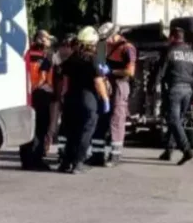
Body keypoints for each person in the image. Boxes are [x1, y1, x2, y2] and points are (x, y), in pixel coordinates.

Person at [55, 27, 110, 174]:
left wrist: (62, 99)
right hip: (88, 100)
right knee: (85, 132)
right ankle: (78, 163)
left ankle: (66, 163)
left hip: (71, 99)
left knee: (71, 133)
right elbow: (99, 82)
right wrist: (105, 99)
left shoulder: (71, 59)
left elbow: (65, 83)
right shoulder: (93, 60)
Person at [153, 27, 193, 166]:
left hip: (174, 89)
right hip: (188, 91)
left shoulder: (170, 51)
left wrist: (154, 87)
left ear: (173, 38)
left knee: (174, 121)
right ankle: (168, 151)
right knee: (176, 121)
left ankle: (187, 150)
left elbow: (160, 72)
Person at [98, 23, 136, 160]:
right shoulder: (102, 46)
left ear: (114, 35)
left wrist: (112, 72)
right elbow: (99, 63)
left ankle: (115, 155)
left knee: (117, 118)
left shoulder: (127, 48)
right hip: (105, 83)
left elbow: (130, 72)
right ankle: (98, 153)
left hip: (120, 84)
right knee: (101, 116)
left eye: (106, 38)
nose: (104, 41)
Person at [21, 30, 55, 170]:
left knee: (27, 128)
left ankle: (25, 160)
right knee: (40, 129)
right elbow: (42, 79)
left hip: (26, 95)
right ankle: (36, 160)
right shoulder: (45, 57)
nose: (49, 41)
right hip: (40, 95)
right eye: (47, 39)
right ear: (42, 40)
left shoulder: (26, 54)